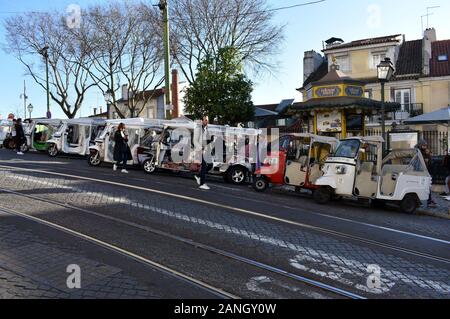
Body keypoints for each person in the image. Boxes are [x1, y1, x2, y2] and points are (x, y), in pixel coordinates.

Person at [418, 139, 437, 208]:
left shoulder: (426, 153)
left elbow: (430, 162)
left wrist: (428, 155)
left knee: (427, 186)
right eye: (423, 145)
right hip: (421, 172)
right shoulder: (419, 152)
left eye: (426, 145)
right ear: (420, 145)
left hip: (427, 172)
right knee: (424, 187)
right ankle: (428, 201)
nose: (425, 147)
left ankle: (429, 200)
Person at [194, 116, 211, 190]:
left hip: (204, 150)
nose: (207, 122)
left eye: (207, 120)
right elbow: (194, 141)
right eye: (205, 120)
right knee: (204, 165)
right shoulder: (198, 129)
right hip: (199, 150)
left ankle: (198, 176)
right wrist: (200, 148)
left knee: (210, 165)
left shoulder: (205, 129)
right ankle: (202, 183)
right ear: (202, 121)